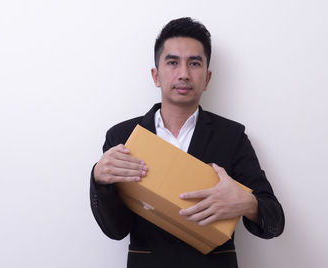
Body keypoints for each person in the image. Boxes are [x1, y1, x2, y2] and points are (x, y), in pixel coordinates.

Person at [89, 17, 284, 268]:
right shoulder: (123, 137)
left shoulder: (232, 136)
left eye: (194, 63)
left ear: (207, 78)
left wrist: (247, 203)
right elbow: (116, 230)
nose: (183, 74)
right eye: (172, 62)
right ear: (155, 75)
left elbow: (275, 221)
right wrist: (98, 179)